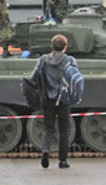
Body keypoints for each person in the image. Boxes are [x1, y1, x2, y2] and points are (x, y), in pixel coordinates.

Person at [29, 35, 76, 169]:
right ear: (65, 47)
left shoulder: (43, 59)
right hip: (64, 99)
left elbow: (33, 78)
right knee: (64, 130)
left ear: (52, 46)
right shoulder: (70, 60)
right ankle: (62, 161)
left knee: (47, 128)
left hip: (47, 98)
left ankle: (45, 152)